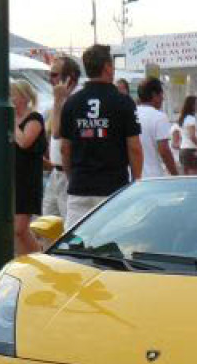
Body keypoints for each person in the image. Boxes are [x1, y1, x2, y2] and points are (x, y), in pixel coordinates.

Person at [60, 44, 143, 224]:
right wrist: (137, 182)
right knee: (113, 245)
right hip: (113, 188)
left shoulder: (71, 103)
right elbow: (134, 147)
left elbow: (65, 149)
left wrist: (73, 178)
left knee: (74, 247)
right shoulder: (123, 102)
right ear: (107, 67)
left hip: (80, 188)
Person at [10, 79, 46, 255]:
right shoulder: (12, 120)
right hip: (12, 177)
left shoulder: (34, 118)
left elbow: (24, 142)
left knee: (20, 228)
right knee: (15, 231)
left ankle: (39, 258)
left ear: (24, 97)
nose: (11, 98)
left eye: (13, 94)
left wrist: (13, 123)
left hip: (27, 178)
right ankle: (24, 260)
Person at [43, 56, 80, 218]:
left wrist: (59, 100)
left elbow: (57, 133)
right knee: (45, 225)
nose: (50, 79)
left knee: (67, 225)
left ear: (69, 77)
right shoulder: (60, 101)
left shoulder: (73, 101)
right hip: (55, 171)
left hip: (67, 172)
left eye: (54, 75)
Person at [136, 77, 180, 179]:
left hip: (133, 178)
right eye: (161, 94)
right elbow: (164, 151)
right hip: (153, 177)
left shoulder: (130, 114)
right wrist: (176, 175)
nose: (163, 98)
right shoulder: (159, 117)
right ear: (154, 95)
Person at [177, 95, 197, 175]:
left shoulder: (184, 119)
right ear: (192, 106)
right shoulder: (191, 119)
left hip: (183, 150)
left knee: (185, 179)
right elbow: (192, 136)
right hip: (191, 151)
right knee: (194, 180)